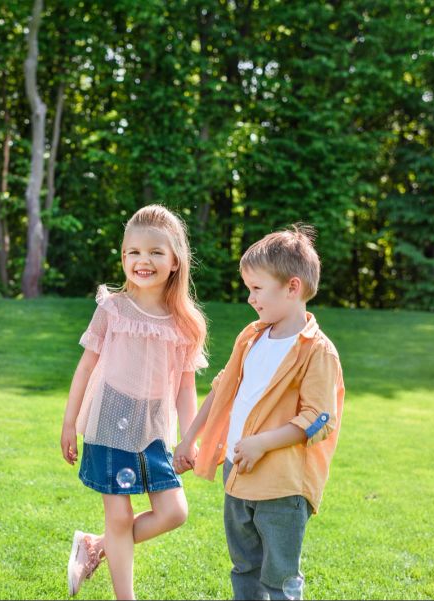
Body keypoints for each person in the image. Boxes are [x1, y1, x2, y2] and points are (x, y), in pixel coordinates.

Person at [175, 225, 345, 600]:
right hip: (235, 476)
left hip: (282, 486)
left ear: (292, 287)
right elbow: (222, 390)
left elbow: (319, 419)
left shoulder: (317, 351)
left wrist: (261, 444)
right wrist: (190, 438)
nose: (250, 298)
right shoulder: (251, 336)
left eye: (257, 288)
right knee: (245, 570)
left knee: (279, 579)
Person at [61, 205, 208, 599]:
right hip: (109, 421)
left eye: (156, 253)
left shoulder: (186, 323)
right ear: (123, 257)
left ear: (175, 260)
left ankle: (96, 546)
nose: (144, 261)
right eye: (134, 252)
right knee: (120, 515)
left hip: (153, 429)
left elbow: (185, 387)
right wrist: (68, 423)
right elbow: (85, 368)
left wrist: (189, 439)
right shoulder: (113, 308)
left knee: (174, 512)